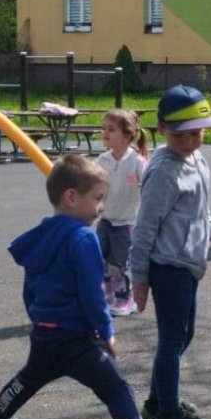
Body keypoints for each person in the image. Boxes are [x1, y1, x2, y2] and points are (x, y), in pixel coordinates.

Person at [0, 155, 195, 419]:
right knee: (116, 388)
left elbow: (30, 289)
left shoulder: (41, 235)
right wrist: (106, 331)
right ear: (71, 197)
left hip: (45, 332)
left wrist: (37, 318)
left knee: (30, 377)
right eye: (97, 199)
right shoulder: (82, 238)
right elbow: (92, 292)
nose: (101, 208)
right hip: (75, 339)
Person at [129, 85, 211, 419]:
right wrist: (138, 277)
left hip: (188, 263)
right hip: (168, 265)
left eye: (197, 132)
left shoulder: (196, 159)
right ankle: (169, 412)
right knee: (173, 340)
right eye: (180, 134)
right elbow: (144, 228)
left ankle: (158, 403)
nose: (190, 140)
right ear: (161, 130)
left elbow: (197, 210)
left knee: (182, 336)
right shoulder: (164, 171)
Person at [95, 108, 147, 316]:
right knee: (103, 260)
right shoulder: (103, 159)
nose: (105, 133)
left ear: (127, 136)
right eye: (104, 128)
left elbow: (148, 187)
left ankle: (126, 299)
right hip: (106, 219)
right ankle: (109, 296)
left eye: (111, 129)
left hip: (126, 222)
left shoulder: (136, 161)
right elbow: (94, 183)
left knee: (120, 263)